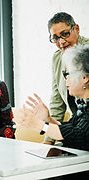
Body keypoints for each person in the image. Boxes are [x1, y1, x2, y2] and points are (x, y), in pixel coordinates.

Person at [14, 44, 89, 152]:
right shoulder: (83, 106)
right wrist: (48, 119)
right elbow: (70, 129)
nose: (65, 79)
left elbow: (77, 136)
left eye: (68, 74)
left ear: (85, 77)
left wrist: (37, 124)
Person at [46, 12, 89, 144]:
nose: (61, 41)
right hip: (76, 125)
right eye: (55, 38)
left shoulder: (86, 53)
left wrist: (39, 125)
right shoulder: (57, 58)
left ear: (76, 29)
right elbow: (57, 101)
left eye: (65, 34)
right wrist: (49, 141)